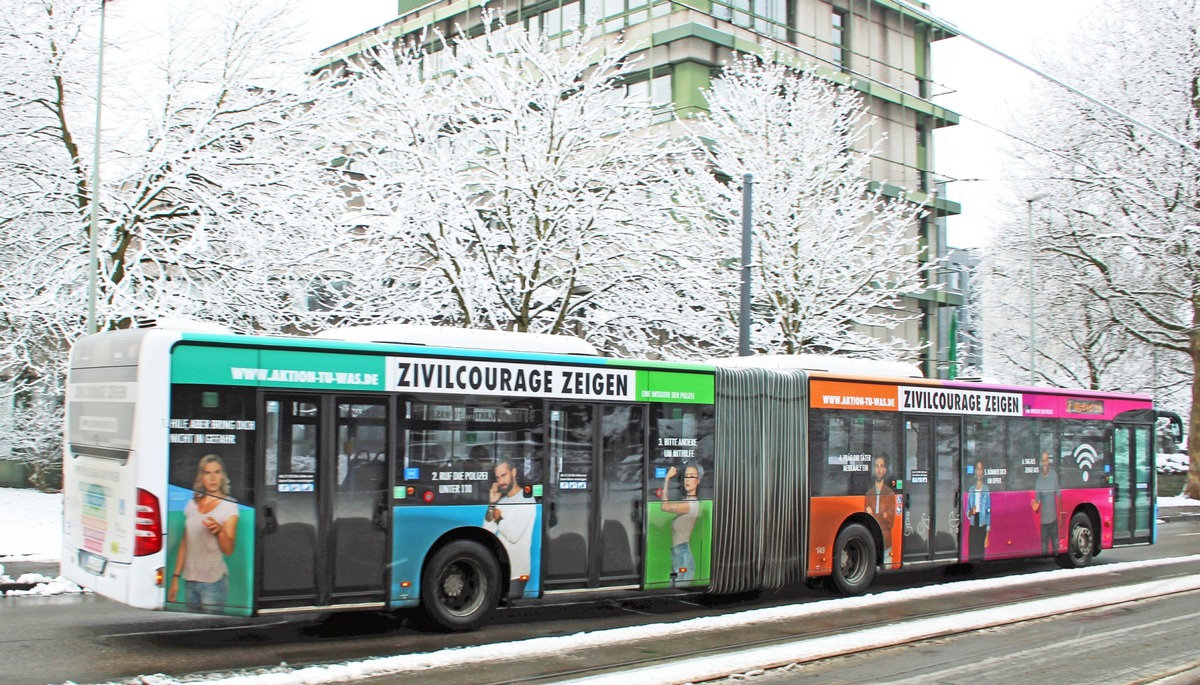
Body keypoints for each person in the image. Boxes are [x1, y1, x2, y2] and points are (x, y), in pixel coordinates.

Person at [168, 454, 239, 613]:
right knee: (193, 630)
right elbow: (185, 544)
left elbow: (229, 550)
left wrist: (220, 531)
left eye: (217, 472)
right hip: (190, 581)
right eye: (207, 473)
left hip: (213, 583)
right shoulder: (192, 504)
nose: (212, 478)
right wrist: (175, 579)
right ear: (201, 477)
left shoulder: (229, 506)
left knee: (212, 631)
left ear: (222, 476)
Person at [484, 458, 535, 598]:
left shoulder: (527, 500)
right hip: (501, 569)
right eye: (497, 477)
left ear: (513, 472)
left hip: (517, 572)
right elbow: (488, 530)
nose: (500, 481)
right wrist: (492, 503)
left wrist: (499, 518)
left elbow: (513, 535)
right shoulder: (502, 501)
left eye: (504, 475)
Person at [661, 463, 702, 583]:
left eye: (692, 476)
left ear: (698, 481)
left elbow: (664, 506)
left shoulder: (689, 505)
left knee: (676, 587)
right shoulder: (687, 502)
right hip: (679, 553)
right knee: (673, 586)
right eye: (686, 476)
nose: (687, 480)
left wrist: (667, 479)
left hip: (682, 555)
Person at [864, 454, 896, 564]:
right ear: (874, 469)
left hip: (886, 546)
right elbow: (866, 522)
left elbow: (890, 523)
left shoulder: (890, 494)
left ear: (885, 470)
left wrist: (872, 515)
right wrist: (883, 515)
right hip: (871, 544)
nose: (879, 469)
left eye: (881, 466)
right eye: (877, 466)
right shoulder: (868, 494)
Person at [1031, 451, 1060, 554]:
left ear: (1049, 461)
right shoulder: (1038, 481)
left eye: (1046, 460)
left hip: (1054, 522)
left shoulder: (1054, 476)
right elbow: (1037, 505)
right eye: (1043, 461)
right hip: (1044, 525)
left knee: (1057, 550)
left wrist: (1059, 517)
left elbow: (1058, 496)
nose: (1045, 463)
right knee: (1044, 551)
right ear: (1040, 462)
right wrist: (1035, 507)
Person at [966, 460, 991, 562]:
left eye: (981, 469)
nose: (979, 471)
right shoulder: (971, 489)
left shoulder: (986, 489)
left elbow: (988, 513)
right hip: (973, 524)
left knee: (980, 554)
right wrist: (971, 511)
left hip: (982, 524)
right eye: (978, 469)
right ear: (975, 472)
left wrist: (987, 535)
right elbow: (967, 511)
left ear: (983, 472)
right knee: (972, 552)